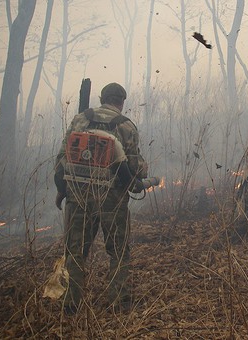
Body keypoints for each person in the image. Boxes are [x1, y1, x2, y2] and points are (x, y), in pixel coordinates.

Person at [54, 82, 148, 315]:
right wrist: (143, 173)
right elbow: (134, 168)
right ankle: (118, 302)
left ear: (101, 97)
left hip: (78, 196)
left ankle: (71, 303)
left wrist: (62, 190)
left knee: (75, 250)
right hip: (112, 199)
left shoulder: (79, 120)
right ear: (121, 102)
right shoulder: (126, 126)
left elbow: (61, 160)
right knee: (118, 250)